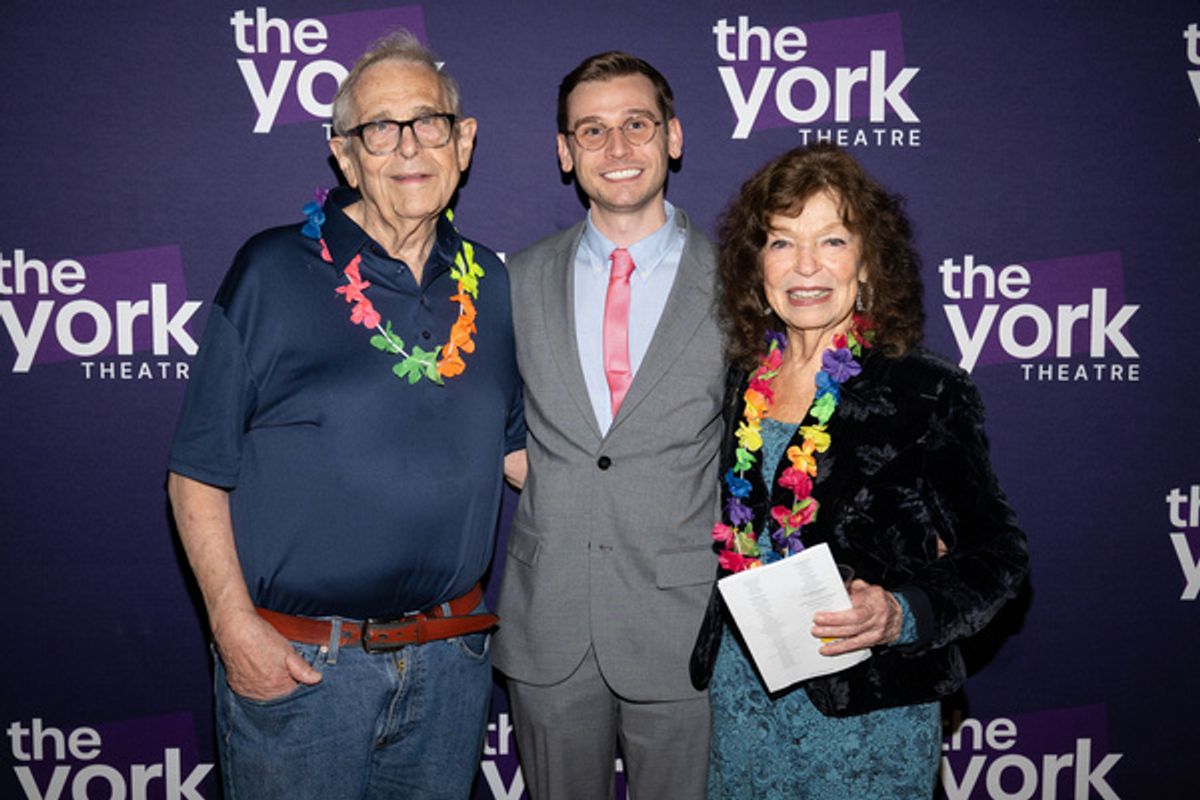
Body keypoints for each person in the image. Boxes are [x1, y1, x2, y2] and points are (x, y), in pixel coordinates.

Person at [166, 31, 524, 800]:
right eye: (378, 129)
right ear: (343, 153)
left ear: (463, 140)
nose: (406, 148)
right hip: (303, 673)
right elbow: (197, 471)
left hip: (450, 668)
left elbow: (522, 454)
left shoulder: (492, 283)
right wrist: (233, 629)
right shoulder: (272, 270)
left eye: (427, 121)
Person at [690, 143, 1029, 799]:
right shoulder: (744, 379)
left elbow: (1000, 554)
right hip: (743, 696)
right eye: (782, 243)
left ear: (868, 262)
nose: (806, 266)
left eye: (833, 241)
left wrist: (900, 612)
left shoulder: (925, 391)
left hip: (868, 708)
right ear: (757, 264)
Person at [492, 52, 724, 799]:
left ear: (674, 137)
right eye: (592, 131)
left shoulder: (742, 283)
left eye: (636, 125)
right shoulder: (512, 281)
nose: (617, 149)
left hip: (684, 626)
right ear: (565, 152)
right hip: (548, 621)